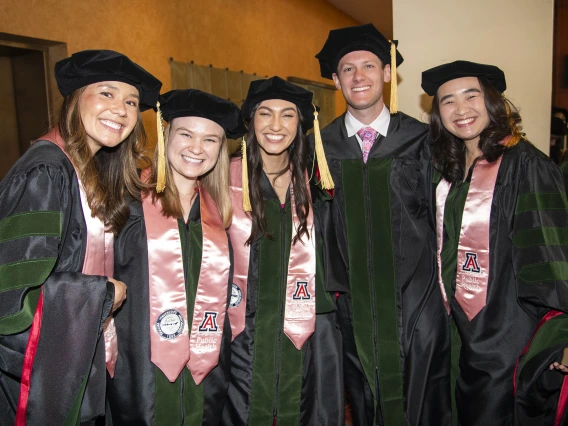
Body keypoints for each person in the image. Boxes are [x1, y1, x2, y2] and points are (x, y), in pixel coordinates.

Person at [0, 49, 161, 425]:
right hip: (33, 386)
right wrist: (98, 294)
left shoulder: (88, 172)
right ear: (75, 97)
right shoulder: (45, 172)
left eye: (131, 101)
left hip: (76, 364)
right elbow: (9, 299)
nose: (120, 109)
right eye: (106, 93)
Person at [312, 23, 451, 425]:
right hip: (352, 307)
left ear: (387, 73)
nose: (360, 77)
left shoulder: (424, 141)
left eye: (369, 66)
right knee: (365, 400)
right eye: (348, 69)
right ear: (336, 81)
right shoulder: (320, 146)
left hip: (418, 303)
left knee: (422, 402)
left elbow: (448, 222)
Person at [422, 60, 568, 425]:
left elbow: (552, 255)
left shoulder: (527, 166)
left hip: (508, 334)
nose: (461, 109)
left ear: (492, 101)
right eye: (448, 101)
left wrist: (563, 332)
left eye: (471, 96)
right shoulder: (448, 170)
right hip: (454, 333)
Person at [106, 89, 244, 425]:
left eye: (210, 140)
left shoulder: (220, 214)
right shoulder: (126, 203)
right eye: (186, 134)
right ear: (165, 135)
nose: (197, 148)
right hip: (139, 364)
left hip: (205, 368)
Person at [221, 76, 344, 425]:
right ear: (250, 121)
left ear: (301, 124)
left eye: (287, 115)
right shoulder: (222, 180)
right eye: (265, 114)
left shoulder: (316, 183)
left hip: (304, 326)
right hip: (242, 328)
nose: (276, 125)